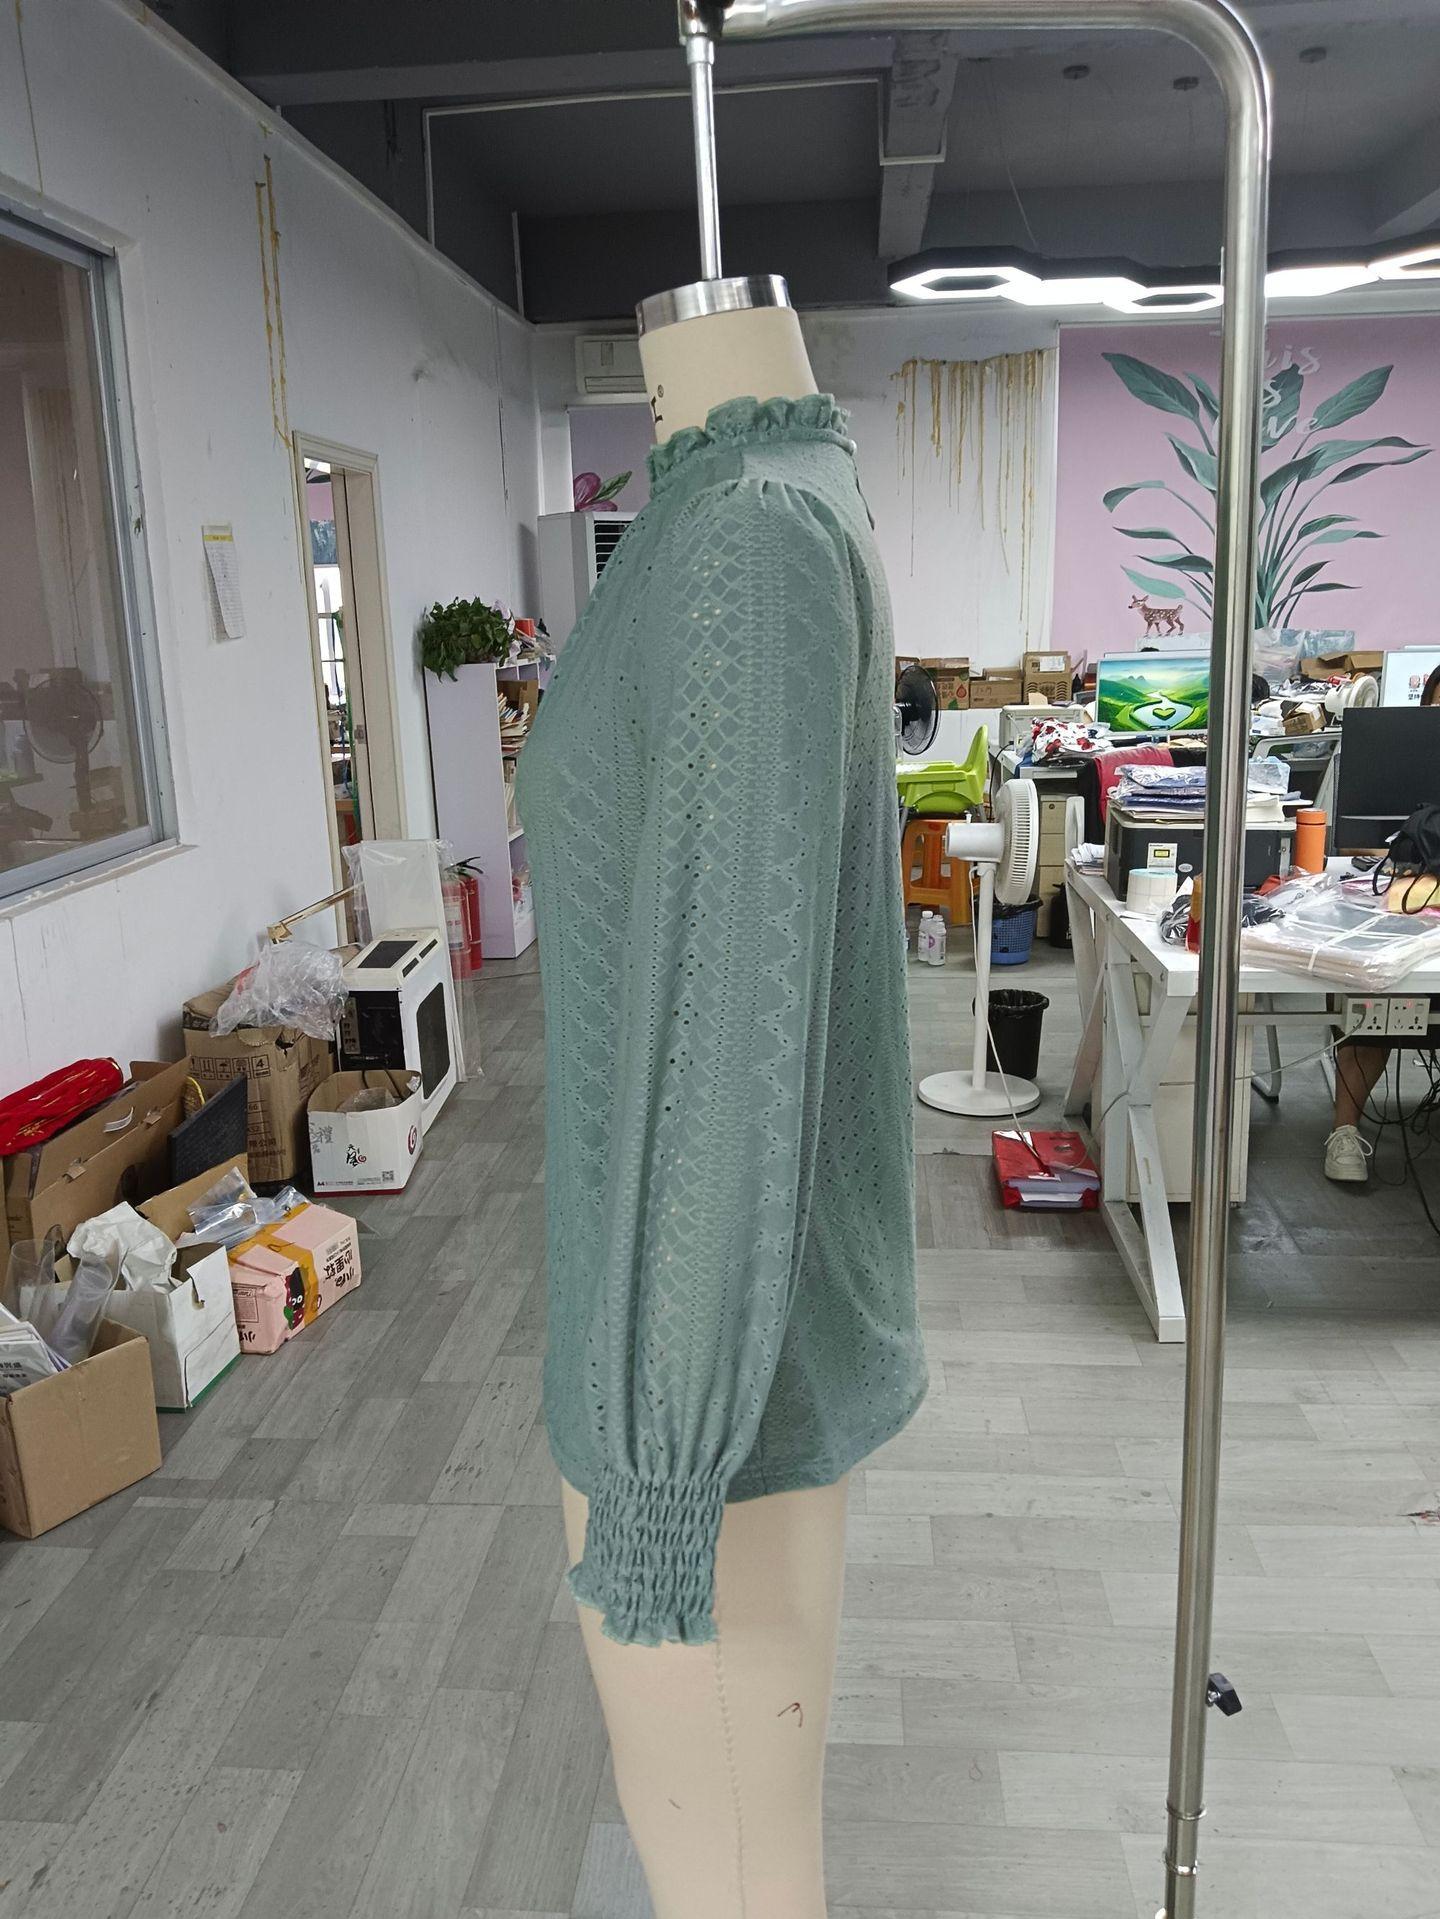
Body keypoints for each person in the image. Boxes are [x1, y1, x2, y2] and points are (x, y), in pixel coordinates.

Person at [1325, 662, 1440, 1181]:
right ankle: (1344, 1131)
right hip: (1405, 901)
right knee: (1380, 995)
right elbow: (1361, 843)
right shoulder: (1401, 762)